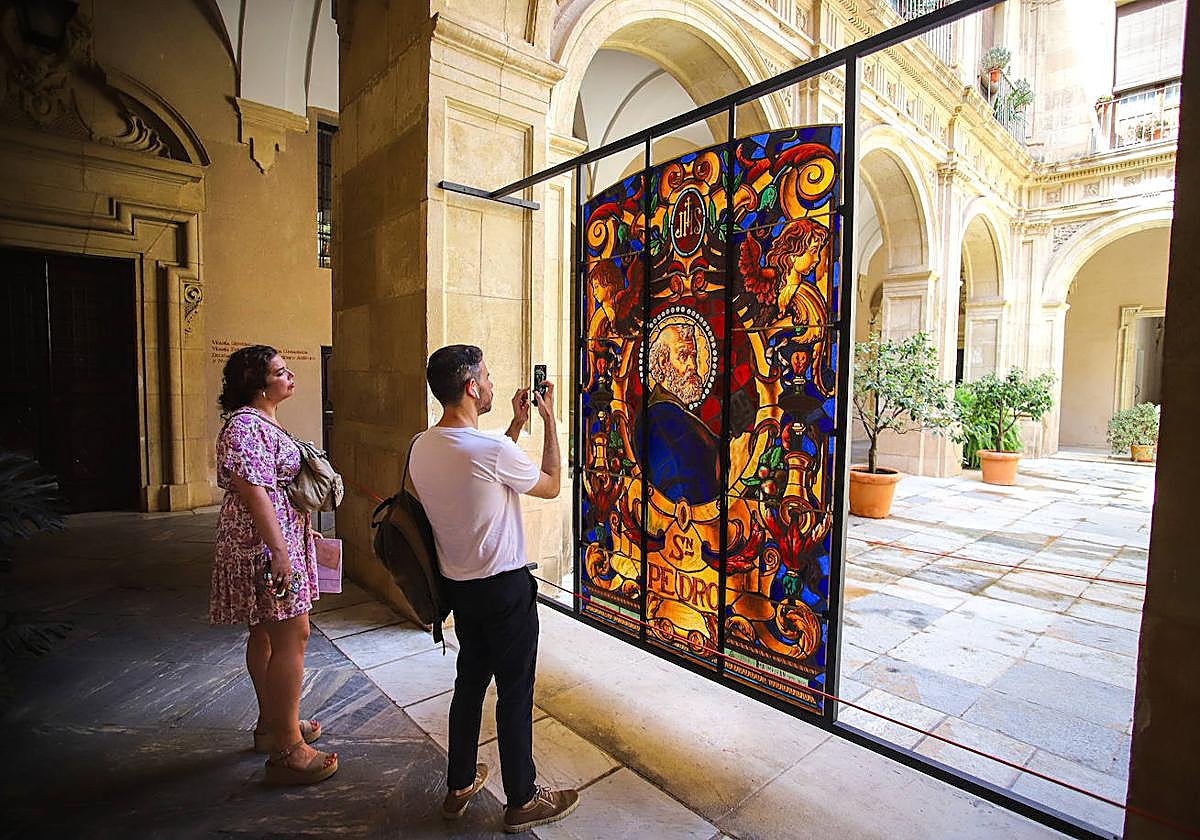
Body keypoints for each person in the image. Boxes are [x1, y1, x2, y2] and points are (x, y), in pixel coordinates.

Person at [408, 345, 579, 833]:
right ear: (469, 387)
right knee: (514, 693)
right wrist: (549, 420)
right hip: (505, 591)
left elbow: (480, 476)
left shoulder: (423, 445)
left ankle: (459, 783)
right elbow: (551, 484)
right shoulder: (489, 451)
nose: (490, 383)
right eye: (485, 376)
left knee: (469, 685)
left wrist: (515, 426)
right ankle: (522, 798)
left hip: (461, 590)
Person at [210, 345, 338, 785]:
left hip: (270, 538)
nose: (290, 377)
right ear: (258, 385)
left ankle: (273, 724)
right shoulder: (246, 426)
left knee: (265, 632)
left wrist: (301, 532)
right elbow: (255, 493)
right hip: (263, 546)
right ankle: (289, 750)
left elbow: (277, 491)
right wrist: (280, 550)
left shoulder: (260, 422)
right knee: (292, 634)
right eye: (281, 372)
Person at [644, 321, 721, 503]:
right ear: (663, 362)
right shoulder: (660, 417)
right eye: (683, 356)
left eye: (693, 356)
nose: (692, 365)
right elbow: (686, 485)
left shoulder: (679, 414)